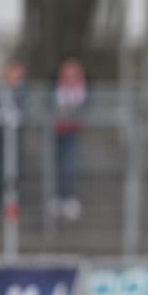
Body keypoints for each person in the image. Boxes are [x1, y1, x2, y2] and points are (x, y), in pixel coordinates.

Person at [52, 57, 87, 221]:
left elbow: (79, 105)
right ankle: (58, 197)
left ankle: (70, 197)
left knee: (69, 164)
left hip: (72, 131)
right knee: (57, 164)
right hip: (58, 130)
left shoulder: (81, 86)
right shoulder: (57, 85)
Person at [0, 58, 27, 210]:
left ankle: (11, 195)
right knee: (0, 164)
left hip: (15, 135)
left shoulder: (23, 89)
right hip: (0, 135)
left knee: (15, 164)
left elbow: (25, 109)